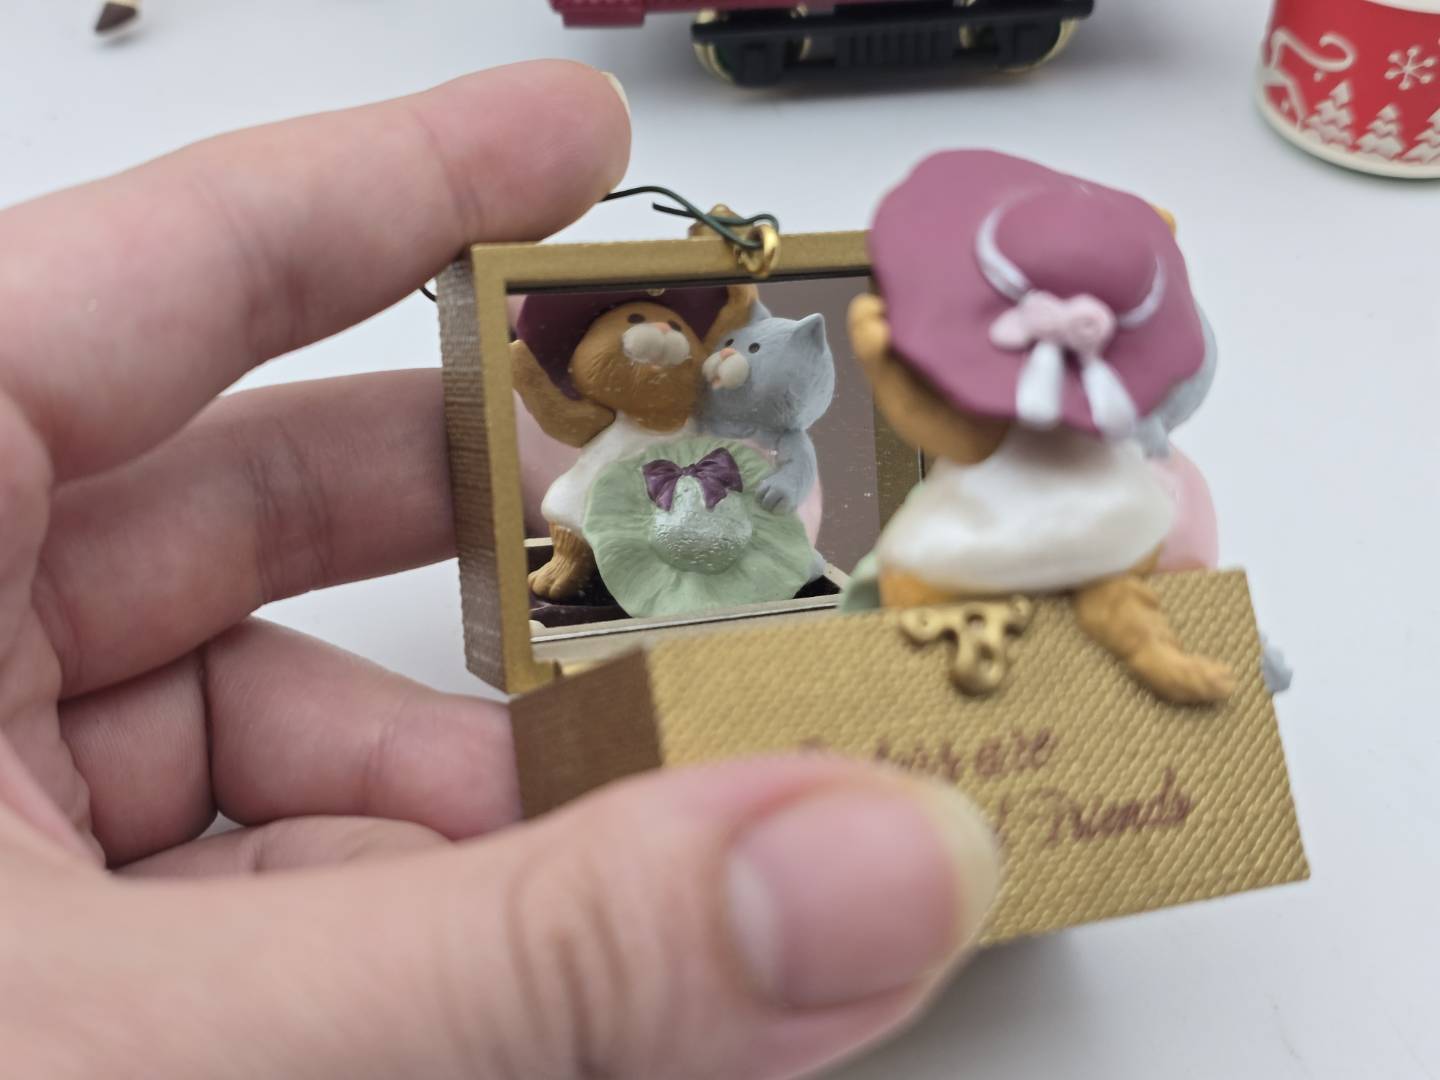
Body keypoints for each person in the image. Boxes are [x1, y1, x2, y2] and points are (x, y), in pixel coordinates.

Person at [0, 61, 999, 1078]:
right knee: (573, 515)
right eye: (635, 331)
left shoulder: (715, 413)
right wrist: (547, 439)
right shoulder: (603, 425)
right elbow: (567, 440)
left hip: (724, 530)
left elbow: (757, 394)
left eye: (671, 327)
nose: (660, 341)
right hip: (632, 516)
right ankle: (581, 565)